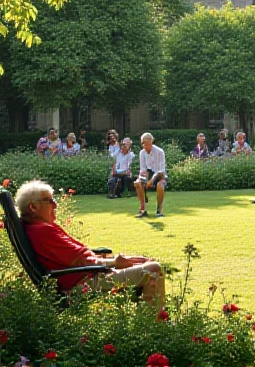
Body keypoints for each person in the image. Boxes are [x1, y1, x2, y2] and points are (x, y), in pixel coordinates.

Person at [16, 179, 165, 308]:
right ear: (33, 207)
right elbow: (82, 260)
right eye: (50, 201)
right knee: (153, 269)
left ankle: (150, 320)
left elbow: (77, 258)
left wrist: (111, 261)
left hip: (88, 274)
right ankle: (154, 324)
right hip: (85, 282)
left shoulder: (35, 229)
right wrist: (113, 262)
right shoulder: (43, 231)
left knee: (146, 262)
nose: (55, 205)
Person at [134, 132, 167, 218]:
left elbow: (161, 171)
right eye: (144, 143)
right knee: (137, 183)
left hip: (160, 175)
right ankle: (142, 209)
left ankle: (159, 210)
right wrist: (142, 178)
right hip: (148, 174)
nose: (145, 146)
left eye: (147, 143)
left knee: (160, 185)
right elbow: (143, 170)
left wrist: (151, 180)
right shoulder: (142, 153)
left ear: (151, 142)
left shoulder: (160, 152)